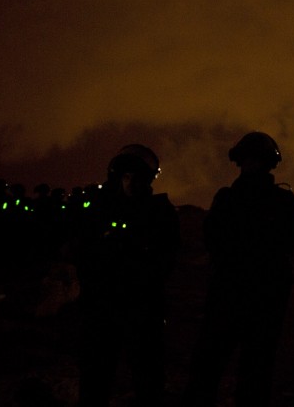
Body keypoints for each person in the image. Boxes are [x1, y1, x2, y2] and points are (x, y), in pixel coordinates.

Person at [183, 132, 294, 407]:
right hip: (250, 297)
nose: (250, 165)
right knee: (244, 372)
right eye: (248, 160)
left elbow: (215, 242)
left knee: (225, 370)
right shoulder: (279, 201)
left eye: (254, 160)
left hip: (240, 296)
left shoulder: (231, 200)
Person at [72, 144, 181, 407]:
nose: (131, 182)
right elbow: (82, 252)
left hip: (142, 307)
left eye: (138, 177)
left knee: (147, 377)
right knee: (96, 377)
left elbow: (166, 259)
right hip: (103, 306)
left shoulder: (160, 212)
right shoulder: (97, 209)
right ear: (117, 175)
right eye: (126, 175)